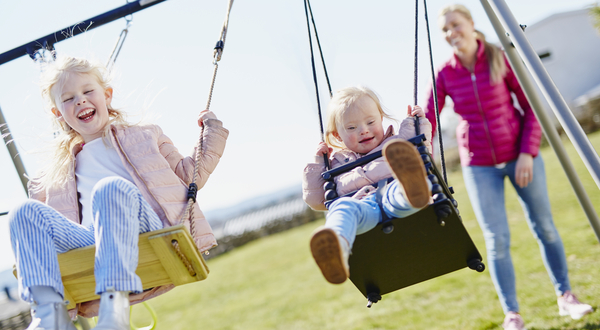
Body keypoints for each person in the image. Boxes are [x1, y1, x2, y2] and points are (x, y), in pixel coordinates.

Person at [8, 56, 229, 330]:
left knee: (109, 189)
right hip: (93, 242)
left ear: (107, 96)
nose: (80, 101)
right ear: (58, 114)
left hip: (148, 229)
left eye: (88, 91)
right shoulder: (51, 176)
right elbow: (43, 238)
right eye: (68, 99)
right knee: (23, 213)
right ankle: (50, 315)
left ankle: (115, 312)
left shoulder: (145, 137)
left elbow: (189, 177)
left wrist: (211, 132)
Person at [426, 4, 593, 329]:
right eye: (445, 30)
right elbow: (428, 117)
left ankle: (566, 298)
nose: (451, 34)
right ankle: (512, 315)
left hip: (519, 154)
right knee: (496, 239)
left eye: (455, 25)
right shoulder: (445, 73)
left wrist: (528, 153)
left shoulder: (500, 57)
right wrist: (413, 134)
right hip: (478, 165)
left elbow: (531, 105)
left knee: (544, 227)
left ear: (472, 24)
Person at [303, 86, 433, 284]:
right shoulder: (336, 163)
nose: (363, 130)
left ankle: (413, 193)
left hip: (394, 197)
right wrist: (319, 162)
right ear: (338, 136)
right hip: (363, 209)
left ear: (381, 118)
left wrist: (417, 123)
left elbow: (423, 153)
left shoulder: (397, 145)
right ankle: (337, 247)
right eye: (352, 128)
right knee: (342, 206)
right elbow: (316, 200)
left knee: (404, 183)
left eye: (370, 122)